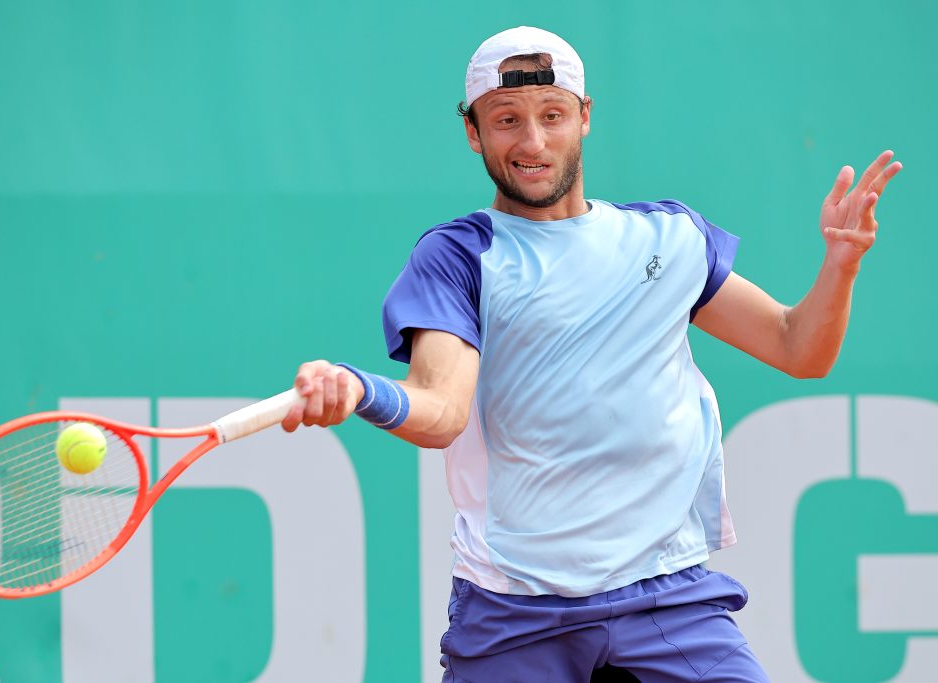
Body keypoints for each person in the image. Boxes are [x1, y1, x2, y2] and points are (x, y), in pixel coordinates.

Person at [280, 26, 901, 683]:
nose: (532, 142)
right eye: (506, 120)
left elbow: (796, 346)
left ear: (584, 117)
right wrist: (358, 388)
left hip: (667, 598)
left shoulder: (669, 239)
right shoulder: (460, 256)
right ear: (473, 132)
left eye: (552, 116)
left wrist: (840, 264)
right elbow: (439, 410)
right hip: (514, 613)